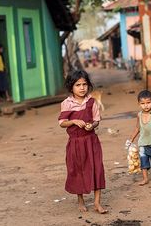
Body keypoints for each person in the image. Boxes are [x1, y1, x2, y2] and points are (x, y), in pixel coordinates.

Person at [58, 70, 108, 214]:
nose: (82, 88)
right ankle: (81, 200)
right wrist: (73, 121)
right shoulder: (67, 103)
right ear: (71, 87)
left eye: (84, 84)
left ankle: (97, 203)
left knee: (97, 168)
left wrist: (91, 125)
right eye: (78, 85)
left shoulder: (91, 101)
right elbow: (62, 123)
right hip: (75, 143)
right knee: (78, 170)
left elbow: (96, 120)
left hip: (91, 141)